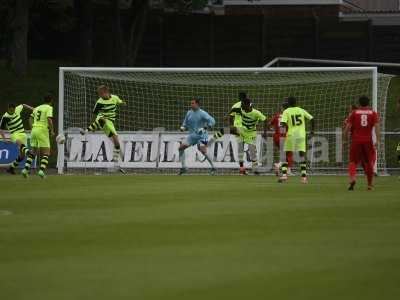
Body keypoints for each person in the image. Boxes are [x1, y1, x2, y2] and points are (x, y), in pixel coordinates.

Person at [81, 85, 126, 173]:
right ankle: (86, 130)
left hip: (110, 123)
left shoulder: (114, 98)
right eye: (99, 94)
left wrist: (122, 103)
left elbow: (119, 102)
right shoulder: (99, 102)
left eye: (101, 94)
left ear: (106, 92)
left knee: (117, 142)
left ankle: (115, 162)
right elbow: (94, 114)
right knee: (102, 119)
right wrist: (93, 124)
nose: (100, 95)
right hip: (101, 119)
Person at [344, 96, 380, 191]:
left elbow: (347, 127)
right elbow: (377, 127)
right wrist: (378, 140)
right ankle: (370, 185)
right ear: (368, 103)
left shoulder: (354, 113)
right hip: (368, 141)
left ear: (359, 103)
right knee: (369, 163)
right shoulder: (373, 113)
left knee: (352, 162)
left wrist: (345, 138)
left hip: (356, 141)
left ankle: (352, 179)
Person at [279, 96, 314, 183]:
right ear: (295, 102)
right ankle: (304, 177)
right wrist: (312, 131)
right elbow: (312, 119)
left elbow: (282, 123)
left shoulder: (286, 111)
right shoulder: (301, 110)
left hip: (291, 135)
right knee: (302, 155)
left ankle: (284, 175)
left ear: (289, 103)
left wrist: (284, 125)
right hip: (301, 135)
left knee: (286, 154)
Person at [178, 98, 216, 175]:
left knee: (202, 150)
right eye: (191, 103)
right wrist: (183, 127)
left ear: (197, 104)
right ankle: (184, 168)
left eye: (193, 103)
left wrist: (205, 128)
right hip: (192, 136)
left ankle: (213, 167)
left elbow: (213, 121)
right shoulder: (189, 113)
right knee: (181, 148)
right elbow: (185, 123)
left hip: (202, 135)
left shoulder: (202, 113)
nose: (191, 105)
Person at [231, 97, 267, 175]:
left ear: (248, 105)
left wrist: (264, 132)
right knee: (240, 148)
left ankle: (255, 169)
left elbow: (265, 120)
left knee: (252, 151)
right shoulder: (241, 110)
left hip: (251, 132)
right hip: (242, 130)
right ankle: (241, 168)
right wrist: (231, 124)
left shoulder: (256, 113)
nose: (242, 107)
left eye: (243, 105)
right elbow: (232, 112)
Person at [22, 94, 55, 178]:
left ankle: (25, 170)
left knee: (33, 152)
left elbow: (30, 118)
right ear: (51, 101)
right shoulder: (49, 108)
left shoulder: (37, 107)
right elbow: (49, 119)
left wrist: (33, 127)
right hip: (42, 130)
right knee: (46, 153)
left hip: (34, 130)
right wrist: (52, 130)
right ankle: (41, 171)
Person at [0, 103, 33, 174]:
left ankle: (11, 168)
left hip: (23, 134)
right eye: (11, 110)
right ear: (8, 109)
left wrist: (33, 109)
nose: (12, 111)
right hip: (14, 134)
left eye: (13, 110)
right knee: (19, 142)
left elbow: (23, 105)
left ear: (15, 108)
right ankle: (28, 152)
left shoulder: (17, 109)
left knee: (22, 156)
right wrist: (5, 139)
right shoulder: (5, 117)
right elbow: (1, 129)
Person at [268, 101, 293, 176]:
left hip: (277, 137)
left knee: (285, 154)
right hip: (285, 137)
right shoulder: (289, 116)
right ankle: (281, 166)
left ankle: (284, 168)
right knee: (289, 153)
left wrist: (272, 129)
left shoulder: (277, 116)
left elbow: (269, 124)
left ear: (282, 108)